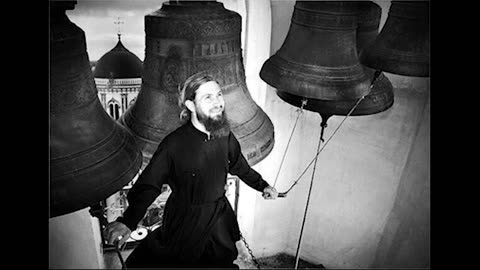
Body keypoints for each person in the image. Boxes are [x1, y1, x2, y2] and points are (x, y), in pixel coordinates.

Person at [104, 71, 278, 268]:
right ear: (190, 105)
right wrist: (128, 221)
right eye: (208, 97)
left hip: (217, 220)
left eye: (219, 94)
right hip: (184, 221)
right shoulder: (174, 144)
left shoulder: (225, 135)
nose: (218, 102)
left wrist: (262, 185)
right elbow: (149, 185)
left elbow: (241, 167)